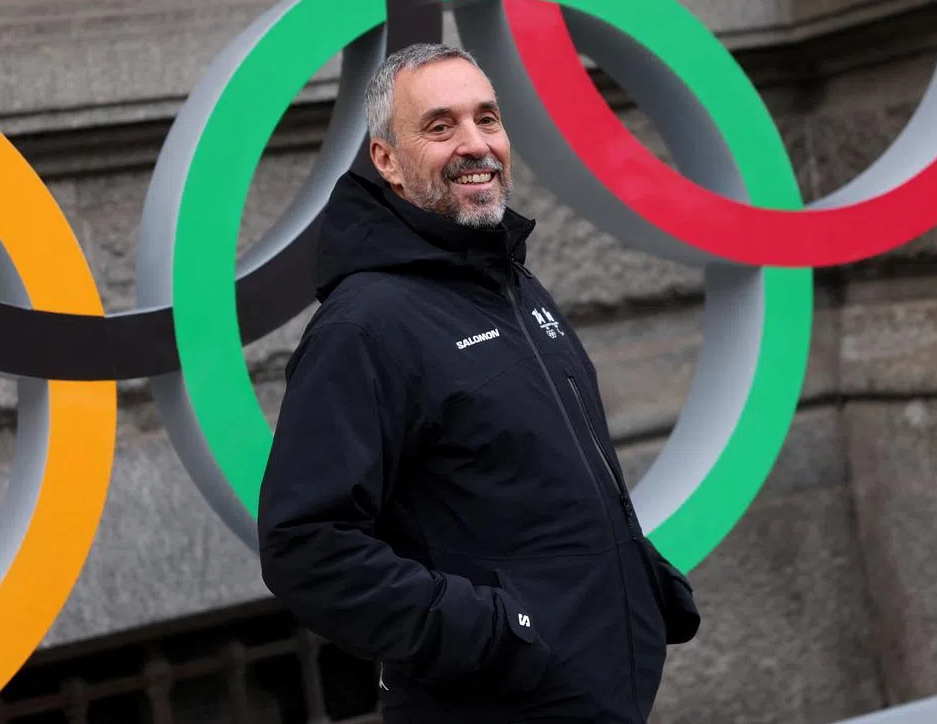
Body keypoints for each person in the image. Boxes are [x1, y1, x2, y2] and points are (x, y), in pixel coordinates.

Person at [257, 42, 699, 724]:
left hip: (600, 688)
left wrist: (643, 581)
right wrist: (494, 633)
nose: (476, 144)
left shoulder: (511, 283)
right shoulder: (366, 325)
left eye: (487, 119)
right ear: (386, 162)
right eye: (440, 127)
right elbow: (307, 548)